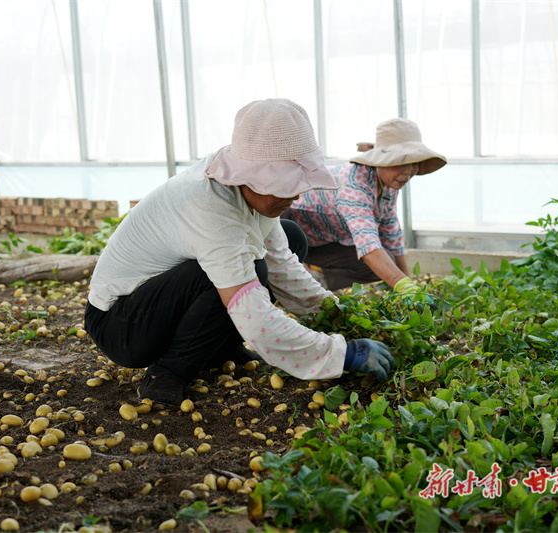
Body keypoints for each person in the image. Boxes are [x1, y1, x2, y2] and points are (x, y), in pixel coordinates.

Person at [84, 98, 395, 407]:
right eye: (285, 185)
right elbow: (254, 315)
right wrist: (339, 353)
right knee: (252, 272)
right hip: (121, 323)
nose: (296, 195)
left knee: (291, 239)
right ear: (252, 177)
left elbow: (284, 267)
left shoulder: (248, 195)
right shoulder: (208, 205)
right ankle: (168, 371)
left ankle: (216, 349)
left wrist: (336, 315)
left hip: (158, 306)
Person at [283, 118, 447, 292]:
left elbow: (391, 234)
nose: (407, 172)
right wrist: (403, 285)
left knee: (382, 264)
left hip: (324, 240)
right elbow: (368, 245)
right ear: (380, 161)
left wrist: (408, 280)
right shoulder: (354, 183)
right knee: (377, 261)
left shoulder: (388, 185)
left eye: (413, 164)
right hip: (290, 229)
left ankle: (325, 283)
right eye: (400, 164)